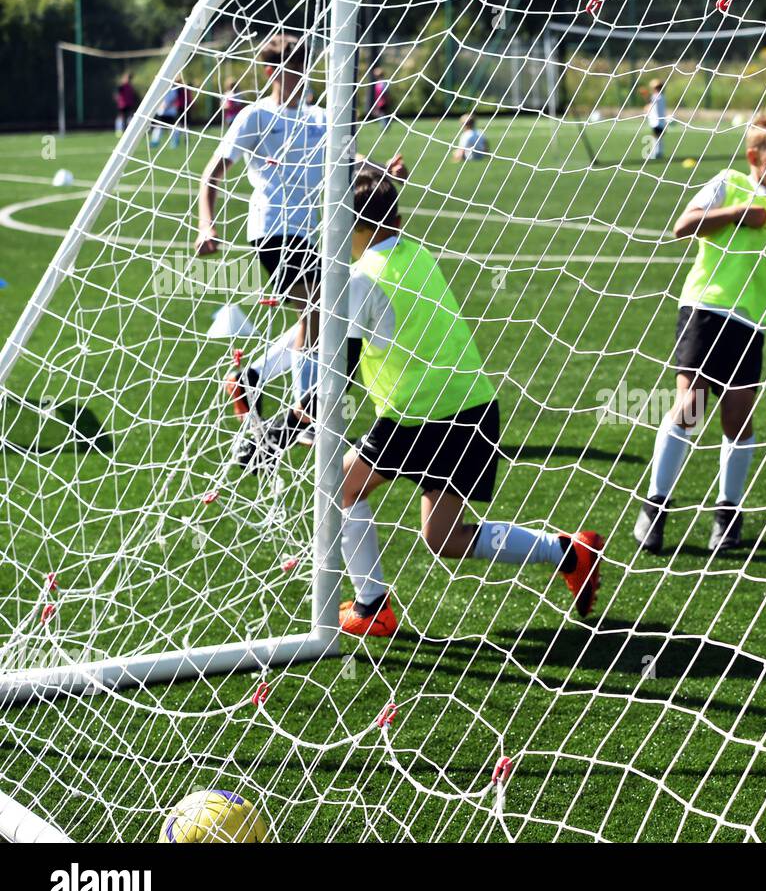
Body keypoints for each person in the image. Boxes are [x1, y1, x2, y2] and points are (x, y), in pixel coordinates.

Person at [335, 168, 604, 636]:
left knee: (344, 487)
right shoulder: (416, 254)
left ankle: (370, 605)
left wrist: (295, 419)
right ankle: (569, 552)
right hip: (474, 407)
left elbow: (342, 369)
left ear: (356, 227)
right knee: (443, 538)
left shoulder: (362, 277)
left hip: (419, 415)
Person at [196, 33, 406, 464]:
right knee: (315, 309)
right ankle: (306, 415)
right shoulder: (255, 117)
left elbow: (352, 161)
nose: (301, 78)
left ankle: (252, 377)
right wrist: (206, 225)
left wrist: (386, 170)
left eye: (305, 69)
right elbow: (212, 173)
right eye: (292, 70)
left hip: (313, 234)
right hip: (271, 229)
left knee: (328, 314)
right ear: (272, 72)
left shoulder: (320, 118)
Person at [632, 114, 766, 554]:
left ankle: (728, 513)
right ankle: (655, 506)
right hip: (704, 308)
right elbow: (683, 226)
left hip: (750, 321)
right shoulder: (726, 183)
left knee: (738, 416)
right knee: (689, 407)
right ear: (756, 156)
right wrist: (734, 215)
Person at [646, 79, 668, 160]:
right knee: (658, 137)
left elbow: (649, 101)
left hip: (657, 121)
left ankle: (656, 153)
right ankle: (659, 153)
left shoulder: (657, 96)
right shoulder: (662, 96)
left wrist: (645, 94)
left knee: (656, 137)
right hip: (660, 121)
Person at [368, 67, 393, 131]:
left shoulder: (382, 83)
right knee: (382, 114)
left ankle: (385, 127)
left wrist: (387, 100)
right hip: (379, 102)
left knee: (383, 114)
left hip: (383, 102)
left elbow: (386, 92)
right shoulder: (378, 83)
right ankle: (385, 126)